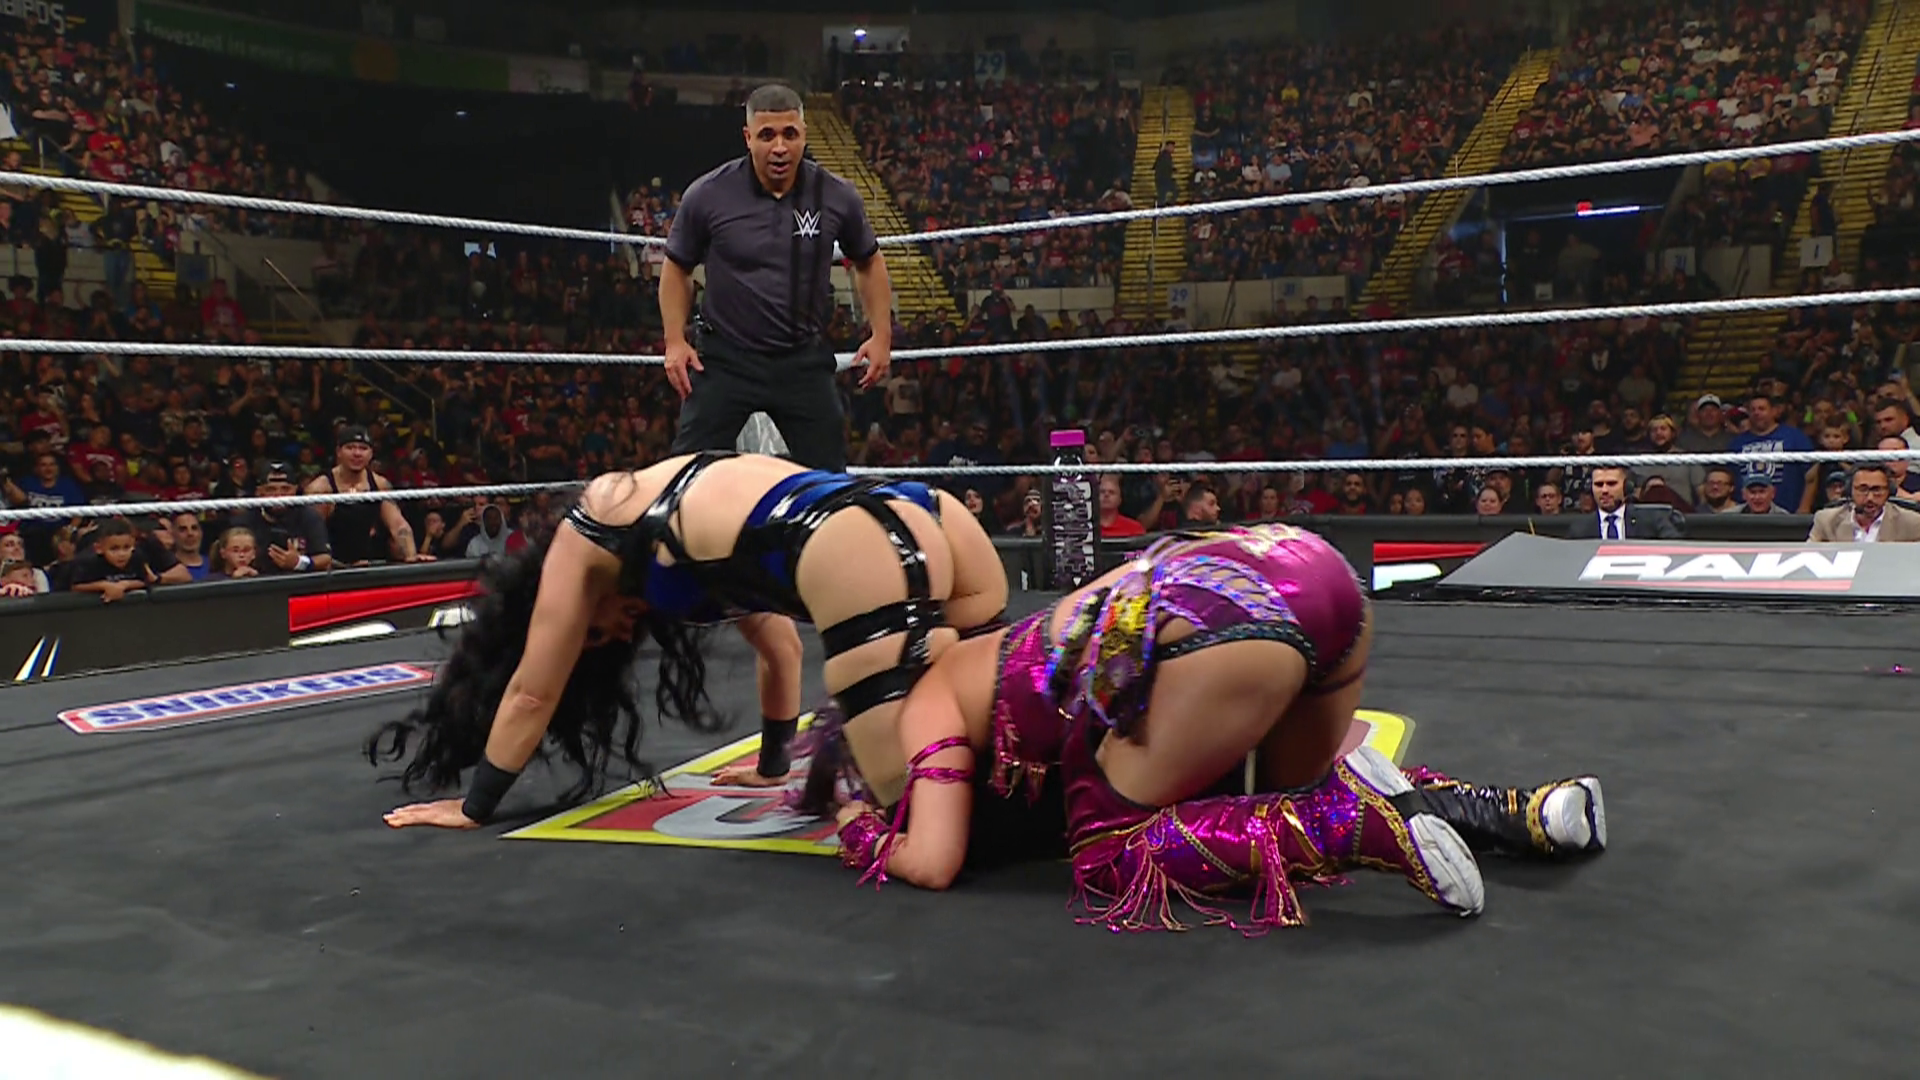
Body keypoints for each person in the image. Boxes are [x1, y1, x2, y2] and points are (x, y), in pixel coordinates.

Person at [807, 524, 1605, 933]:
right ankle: (1524, 813)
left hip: (1222, 617)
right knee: (1267, 787)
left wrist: (859, 830)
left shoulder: (930, 698)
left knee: (1108, 852)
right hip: (1312, 572)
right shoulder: (1001, 653)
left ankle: (1353, 827)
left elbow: (935, 860)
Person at [371, 451, 1006, 829]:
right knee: (1000, 737)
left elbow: (533, 691)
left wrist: (476, 806)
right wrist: (774, 765)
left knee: (919, 819)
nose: (620, 632)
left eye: (595, 633)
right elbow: (780, 649)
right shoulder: (698, 539)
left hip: (855, 544)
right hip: (931, 515)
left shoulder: (593, 523)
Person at [660, 83, 893, 473]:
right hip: (726, 358)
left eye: (790, 134)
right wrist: (674, 340)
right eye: (767, 135)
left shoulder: (836, 195)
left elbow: (869, 261)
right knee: (688, 473)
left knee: (828, 478)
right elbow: (675, 267)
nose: (780, 147)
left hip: (802, 358)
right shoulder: (709, 194)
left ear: (804, 134)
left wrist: (881, 334)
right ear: (748, 137)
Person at [305, 426, 430, 566]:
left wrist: (411, 557)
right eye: (350, 448)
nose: (357, 453)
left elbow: (398, 524)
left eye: (363, 448)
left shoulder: (379, 484)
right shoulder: (321, 488)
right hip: (333, 566)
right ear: (339, 452)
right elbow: (313, 537)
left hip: (370, 564)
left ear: (371, 453)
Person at [1563, 465, 1686, 539]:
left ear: (1627, 487)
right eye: (1599, 485)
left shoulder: (1651, 520)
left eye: (1611, 484)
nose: (1604, 490)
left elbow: (1677, 547)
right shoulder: (1579, 529)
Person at [1806, 464, 1920, 542]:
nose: (1870, 498)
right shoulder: (1826, 521)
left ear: (1889, 491)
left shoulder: (1911, 522)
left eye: (1877, 490)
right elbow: (1809, 557)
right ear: (1849, 490)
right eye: (1862, 489)